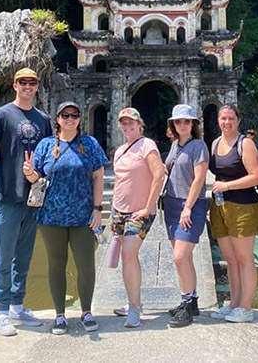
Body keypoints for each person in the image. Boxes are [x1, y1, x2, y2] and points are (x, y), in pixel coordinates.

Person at [25, 101, 109, 335]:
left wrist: (97, 208)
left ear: (80, 119)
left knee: (86, 265)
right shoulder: (46, 145)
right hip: (51, 216)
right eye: (65, 115)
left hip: (83, 216)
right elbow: (36, 178)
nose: (70, 119)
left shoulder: (90, 144)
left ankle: (86, 311)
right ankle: (60, 315)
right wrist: (29, 173)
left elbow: (98, 177)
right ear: (58, 119)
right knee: (56, 264)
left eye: (74, 115)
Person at [0, 67, 51, 337]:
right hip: (8, 194)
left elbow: (47, 157)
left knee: (24, 255)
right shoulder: (2, 114)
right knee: (4, 255)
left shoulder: (43, 119)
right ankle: (2, 311)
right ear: (15, 85)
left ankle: (17, 306)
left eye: (32, 82)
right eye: (23, 82)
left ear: (37, 86)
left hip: (33, 197)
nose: (27, 86)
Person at [110, 107, 166, 328]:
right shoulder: (120, 150)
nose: (127, 126)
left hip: (140, 211)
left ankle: (134, 308)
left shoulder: (147, 145)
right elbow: (119, 180)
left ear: (139, 124)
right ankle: (133, 301)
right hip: (120, 210)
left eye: (131, 122)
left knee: (129, 254)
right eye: (123, 123)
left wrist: (149, 206)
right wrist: (113, 210)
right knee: (126, 258)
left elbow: (159, 175)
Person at [209, 105, 258, 323]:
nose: (227, 122)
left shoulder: (245, 144)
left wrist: (228, 186)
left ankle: (246, 308)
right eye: (223, 118)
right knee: (230, 259)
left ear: (238, 121)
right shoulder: (215, 143)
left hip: (243, 206)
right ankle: (234, 304)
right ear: (218, 120)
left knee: (244, 259)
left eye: (231, 118)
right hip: (220, 206)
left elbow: (257, 176)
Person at [163, 104, 210, 328]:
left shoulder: (199, 146)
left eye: (186, 121)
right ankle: (192, 301)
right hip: (172, 204)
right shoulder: (175, 145)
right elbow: (168, 170)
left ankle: (186, 304)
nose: (182, 124)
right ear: (173, 124)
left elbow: (199, 178)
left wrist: (188, 207)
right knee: (185, 258)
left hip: (190, 205)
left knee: (180, 256)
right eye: (178, 121)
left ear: (193, 124)